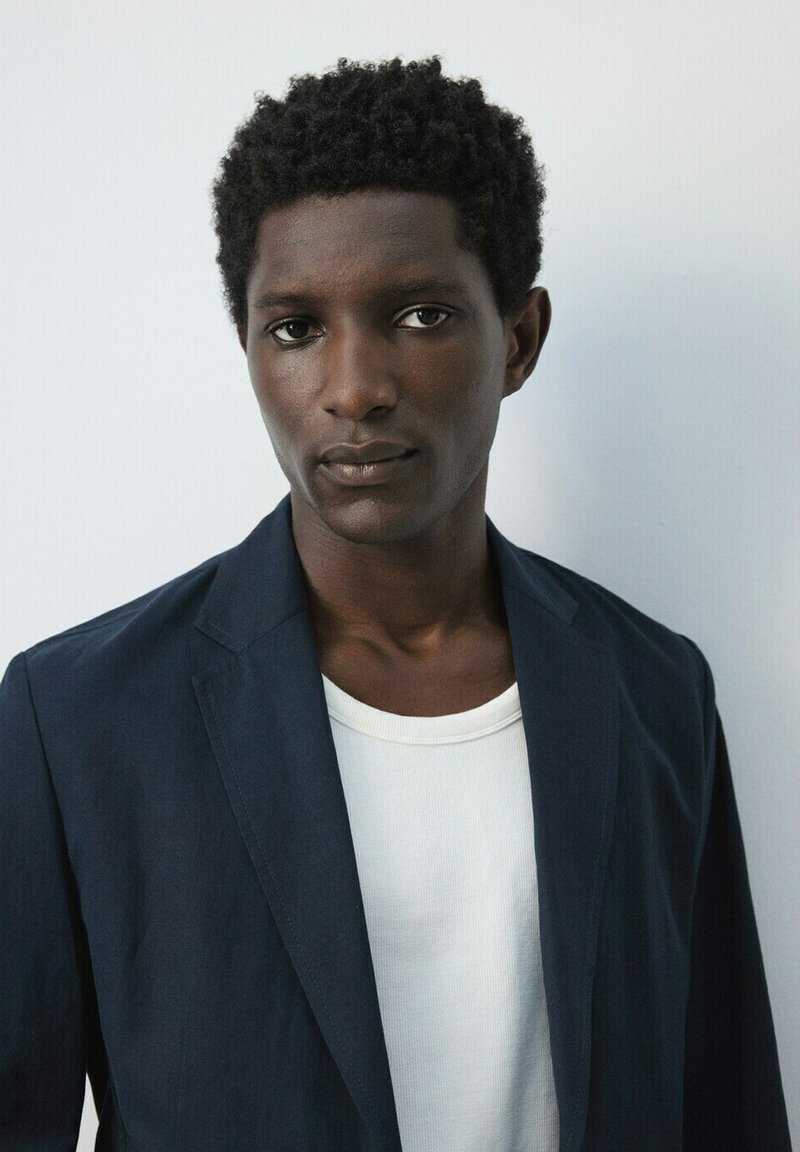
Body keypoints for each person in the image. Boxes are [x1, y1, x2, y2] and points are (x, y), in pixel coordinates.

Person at [0, 56, 791, 1152]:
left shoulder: (651, 691)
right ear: (247, 350)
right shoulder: (78, 716)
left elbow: (727, 1104)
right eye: (294, 328)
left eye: (418, 315)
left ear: (515, 339)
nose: (354, 386)